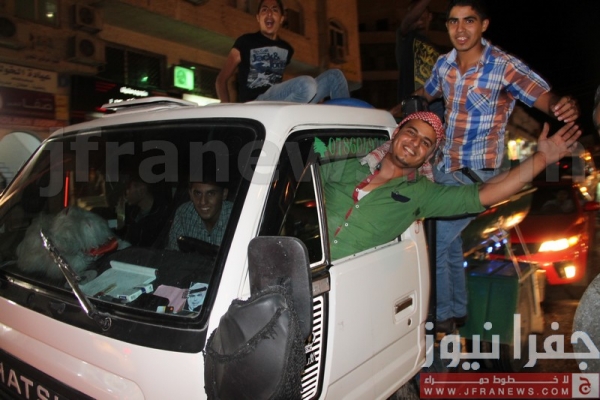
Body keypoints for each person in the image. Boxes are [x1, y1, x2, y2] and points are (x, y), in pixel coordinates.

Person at [390, 0, 580, 333]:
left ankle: (440, 316)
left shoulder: (502, 66)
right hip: (445, 165)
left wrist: (561, 105)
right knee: (447, 240)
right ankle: (455, 311)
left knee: (435, 241)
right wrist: (390, 112)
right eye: (453, 22)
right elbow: (426, 92)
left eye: (469, 21)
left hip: (477, 172)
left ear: (483, 25)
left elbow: (542, 97)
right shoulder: (445, 65)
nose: (460, 29)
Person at [323, 111, 580, 261]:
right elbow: (309, 157)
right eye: (411, 132)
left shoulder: (421, 193)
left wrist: (541, 159)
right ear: (397, 133)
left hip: (347, 280)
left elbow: (484, 194)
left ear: (428, 156)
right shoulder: (347, 162)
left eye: (426, 143)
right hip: (306, 263)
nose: (415, 143)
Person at [215, 0, 350, 104]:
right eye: (264, 10)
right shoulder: (245, 41)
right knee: (307, 84)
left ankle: (346, 128)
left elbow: (276, 82)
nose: (269, 13)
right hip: (256, 103)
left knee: (335, 76)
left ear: (281, 18)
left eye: (274, 10)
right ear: (258, 17)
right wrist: (225, 108)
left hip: (279, 100)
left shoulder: (286, 49)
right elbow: (221, 80)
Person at [395, 0, 444, 121]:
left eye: (423, 13)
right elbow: (408, 21)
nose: (419, 17)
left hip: (435, 107)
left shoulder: (438, 52)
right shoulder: (406, 38)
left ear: (430, 17)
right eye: (416, 14)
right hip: (413, 105)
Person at [167, 180, 232, 250]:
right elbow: (173, 253)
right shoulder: (184, 213)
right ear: (191, 194)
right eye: (198, 193)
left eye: (211, 193)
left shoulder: (236, 219)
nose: (203, 202)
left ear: (224, 194)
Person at [116, 175, 171, 247]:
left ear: (142, 190)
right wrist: (120, 214)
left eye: (128, 188)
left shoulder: (163, 214)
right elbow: (122, 237)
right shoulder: (132, 212)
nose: (126, 193)